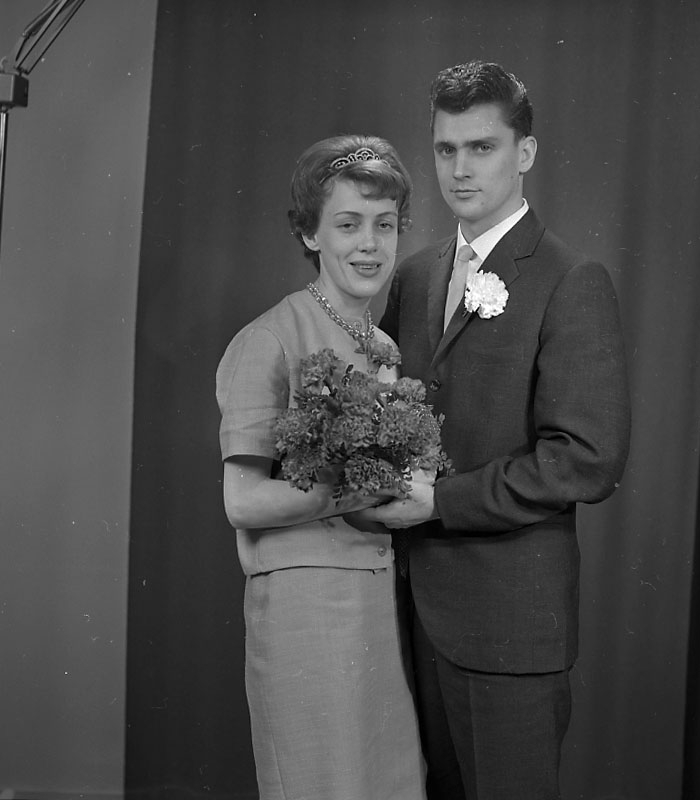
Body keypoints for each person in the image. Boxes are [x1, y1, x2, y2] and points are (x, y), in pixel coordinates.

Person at [358, 61, 631, 799]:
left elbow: (587, 458)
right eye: (446, 149)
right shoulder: (415, 276)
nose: (460, 168)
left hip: (510, 628)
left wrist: (440, 503)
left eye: (482, 147)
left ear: (525, 153)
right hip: (414, 617)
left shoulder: (570, 279)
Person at [215, 134, 427, 800]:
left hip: (381, 603)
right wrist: (356, 491)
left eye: (384, 225)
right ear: (310, 233)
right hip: (307, 605)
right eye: (348, 224)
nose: (370, 244)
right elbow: (242, 502)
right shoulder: (269, 339)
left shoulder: (384, 347)